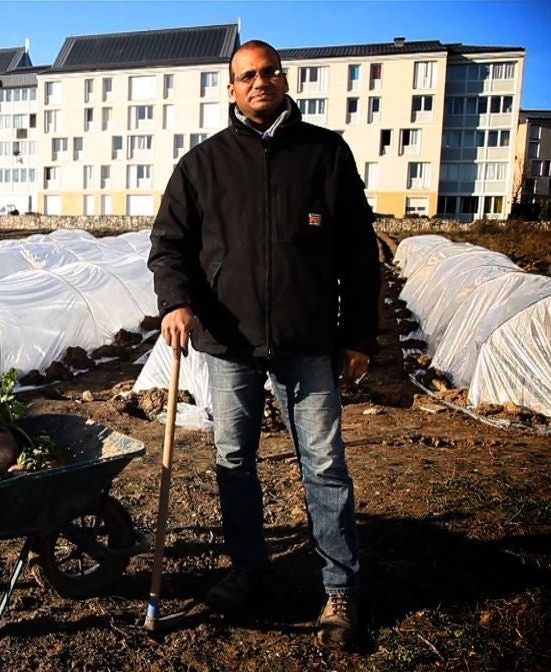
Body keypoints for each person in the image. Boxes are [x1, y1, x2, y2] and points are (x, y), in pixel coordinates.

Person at [147, 39, 380, 649]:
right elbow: (169, 246)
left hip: (308, 342)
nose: (259, 82)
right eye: (246, 75)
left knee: (325, 464)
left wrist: (358, 336)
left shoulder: (325, 154)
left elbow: (359, 255)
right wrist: (175, 302)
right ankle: (250, 566)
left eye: (269, 72)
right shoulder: (202, 166)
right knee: (233, 460)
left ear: (284, 78)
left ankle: (339, 588)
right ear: (231, 89)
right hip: (230, 345)